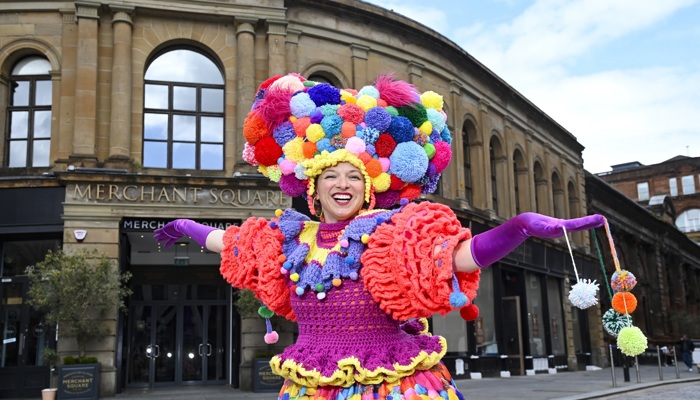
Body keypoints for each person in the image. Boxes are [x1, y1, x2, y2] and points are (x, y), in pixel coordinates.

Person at [155, 73, 605, 399]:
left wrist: (519, 226)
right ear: (313, 189)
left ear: (369, 188)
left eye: (353, 176)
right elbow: (229, 242)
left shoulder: (388, 236)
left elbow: (458, 257)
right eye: (331, 176)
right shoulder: (290, 240)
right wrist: (186, 227)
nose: (342, 185)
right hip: (311, 387)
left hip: (390, 386)